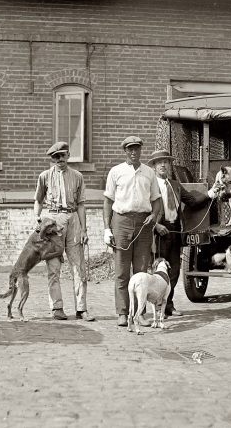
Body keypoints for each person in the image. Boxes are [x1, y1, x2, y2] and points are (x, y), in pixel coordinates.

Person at [148, 150, 219, 317]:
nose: (163, 165)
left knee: (174, 271)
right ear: (154, 166)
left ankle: (168, 305)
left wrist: (210, 194)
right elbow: (145, 209)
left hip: (174, 231)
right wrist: (156, 226)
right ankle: (157, 307)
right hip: (159, 232)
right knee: (159, 271)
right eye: (159, 162)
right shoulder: (149, 185)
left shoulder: (175, 185)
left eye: (166, 161)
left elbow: (192, 202)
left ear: (170, 165)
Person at [103, 136, 162, 327]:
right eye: (130, 149)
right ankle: (122, 312)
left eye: (137, 149)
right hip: (122, 222)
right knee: (121, 271)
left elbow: (156, 199)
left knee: (141, 272)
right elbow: (108, 202)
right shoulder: (116, 172)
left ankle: (140, 313)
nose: (134, 152)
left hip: (143, 223)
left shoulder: (149, 173)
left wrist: (154, 215)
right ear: (125, 151)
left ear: (140, 150)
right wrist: (107, 229)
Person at [34, 141, 94, 321]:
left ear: (68, 155)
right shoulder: (44, 176)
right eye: (55, 157)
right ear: (52, 159)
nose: (60, 159)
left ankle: (81, 308)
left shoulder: (77, 176)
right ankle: (56, 307)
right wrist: (37, 218)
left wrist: (84, 229)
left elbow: (81, 204)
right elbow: (38, 200)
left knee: (78, 266)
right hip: (53, 219)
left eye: (62, 155)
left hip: (73, 218)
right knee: (53, 267)